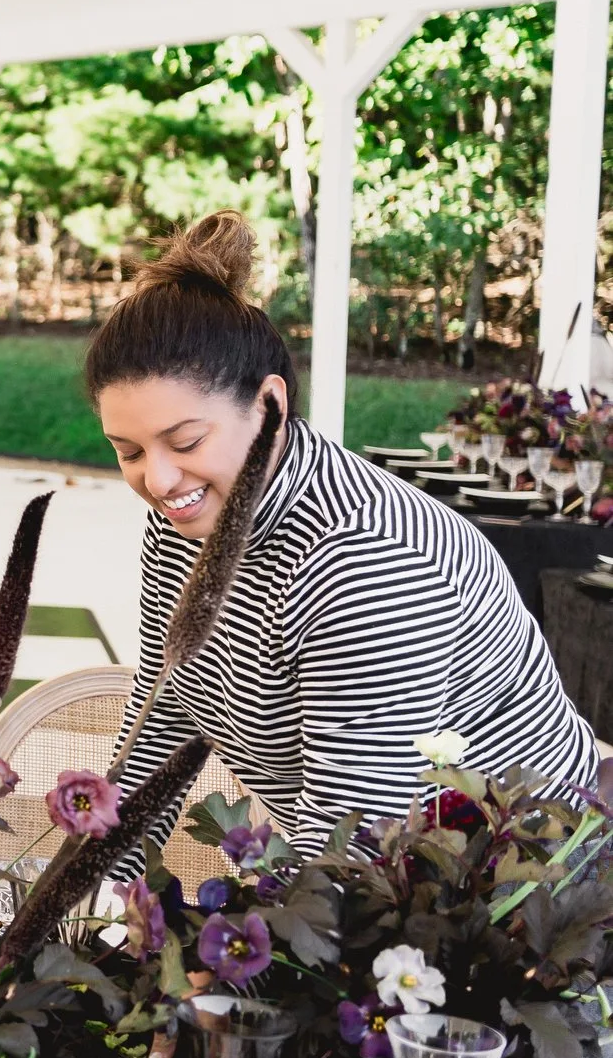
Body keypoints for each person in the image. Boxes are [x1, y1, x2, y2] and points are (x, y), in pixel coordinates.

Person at [96, 212, 599, 852]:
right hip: (378, 879)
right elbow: (165, 711)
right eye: (129, 452)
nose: (159, 481)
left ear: (270, 407)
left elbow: (347, 839)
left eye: (185, 440)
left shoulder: (365, 558)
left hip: (518, 883)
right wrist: (84, 891)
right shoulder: (185, 523)